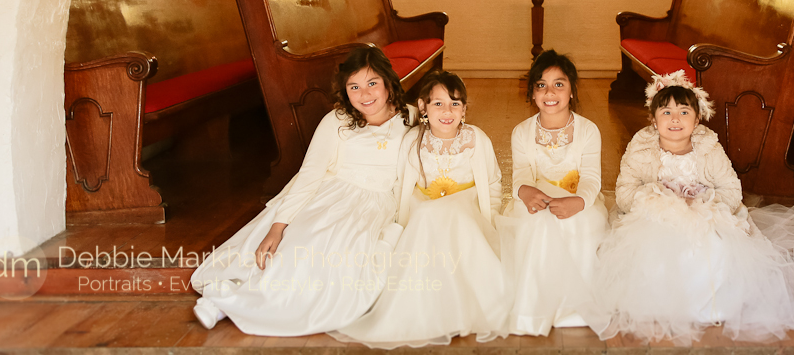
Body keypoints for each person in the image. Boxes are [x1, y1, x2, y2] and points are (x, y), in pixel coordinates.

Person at [584, 70, 794, 345]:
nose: (675, 119)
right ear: (653, 120)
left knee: (714, 246)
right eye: (665, 112)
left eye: (684, 112)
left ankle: (706, 307)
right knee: (655, 247)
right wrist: (656, 196)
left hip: (703, 212)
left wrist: (703, 200)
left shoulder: (708, 148)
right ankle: (660, 305)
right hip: (654, 215)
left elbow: (731, 190)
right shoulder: (641, 149)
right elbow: (624, 192)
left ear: (697, 118)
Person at [189, 45, 414, 336]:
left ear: (388, 82)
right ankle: (225, 300)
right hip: (331, 196)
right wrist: (277, 226)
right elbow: (309, 175)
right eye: (354, 87)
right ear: (345, 91)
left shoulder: (410, 117)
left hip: (376, 205)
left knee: (335, 263)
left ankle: (242, 304)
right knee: (299, 243)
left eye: (372, 83)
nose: (365, 94)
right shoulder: (337, 121)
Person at [336, 71, 510, 347]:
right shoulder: (413, 141)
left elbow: (492, 182)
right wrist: (398, 222)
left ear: (464, 109)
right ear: (422, 107)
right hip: (424, 209)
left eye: (455, 104)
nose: (447, 111)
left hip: (466, 209)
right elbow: (401, 186)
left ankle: (464, 304)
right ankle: (433, 308)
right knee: (428, 220)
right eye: (438, 103)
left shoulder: (476, 139)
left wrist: (492, 220)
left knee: (453, 220)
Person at [497, 50, 609, 336]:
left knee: (577, 224)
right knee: (536, 225)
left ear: (572, 90)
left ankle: (572, 306)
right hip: (537, 197)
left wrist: (580, 202)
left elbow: (592, 177)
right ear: (532, 93)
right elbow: (520, 173)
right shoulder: (522, 132)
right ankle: (535, 306)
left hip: (577, 199)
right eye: (541, 85)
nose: (550, 92)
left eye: (559, 84)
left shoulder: (588, 130)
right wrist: (524, 192)